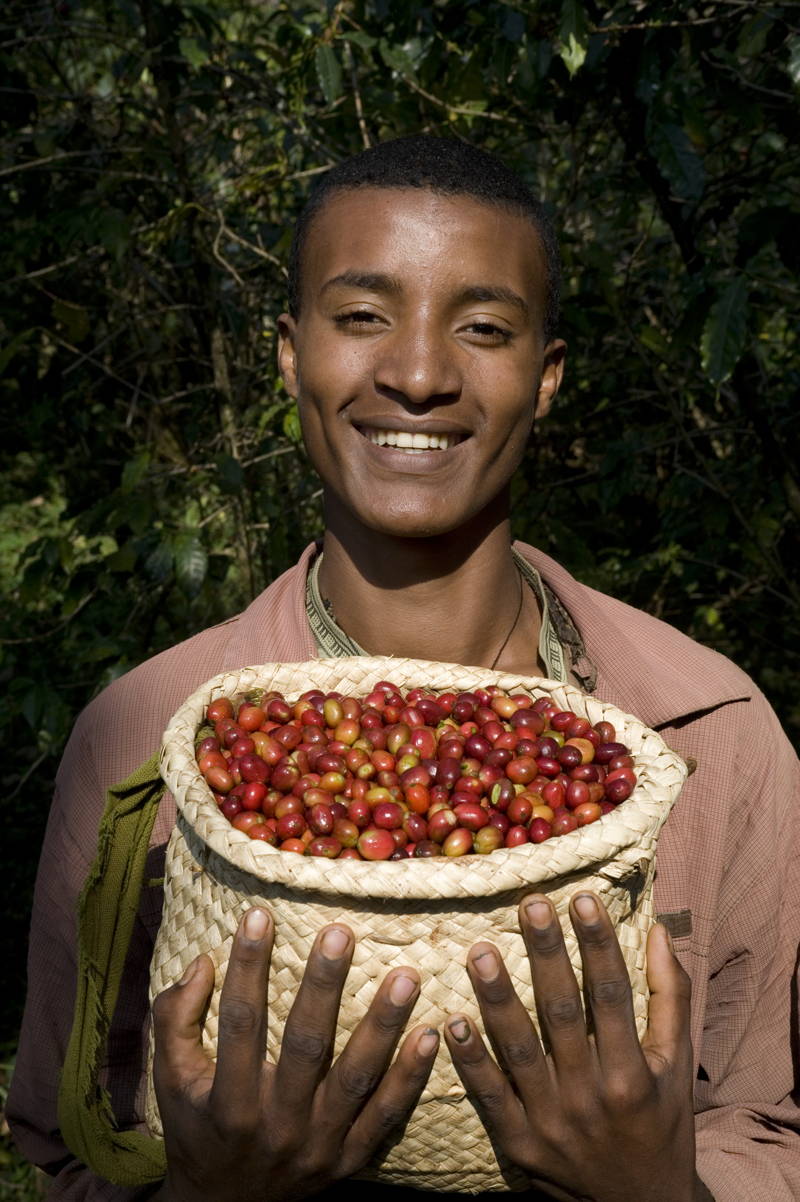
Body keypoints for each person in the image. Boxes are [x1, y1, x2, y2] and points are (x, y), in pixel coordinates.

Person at [8, 136, 800, 1202]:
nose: (418, 374)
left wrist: (657, 1189)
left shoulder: (713, 727)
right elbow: (68, 1144)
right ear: (290, 353)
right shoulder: (142, 740)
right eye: (362, 316)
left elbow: (772, 1122)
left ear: (546, 375)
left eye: (481, 328)